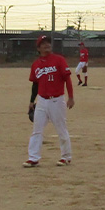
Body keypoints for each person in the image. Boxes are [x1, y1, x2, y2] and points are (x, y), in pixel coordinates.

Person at [24, 35, 75, 167]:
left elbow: (67, 79)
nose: (47, 45)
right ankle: (33, 158)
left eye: (48, 43)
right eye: (43, 43)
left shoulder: (59, 60)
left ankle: (66, 156)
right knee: (37, 129)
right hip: (41, 101)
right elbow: (35, 84)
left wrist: (71, 97)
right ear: (38, 48)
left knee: (61, 129)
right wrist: (31, 101)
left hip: (56, 100)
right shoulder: (35, 65)